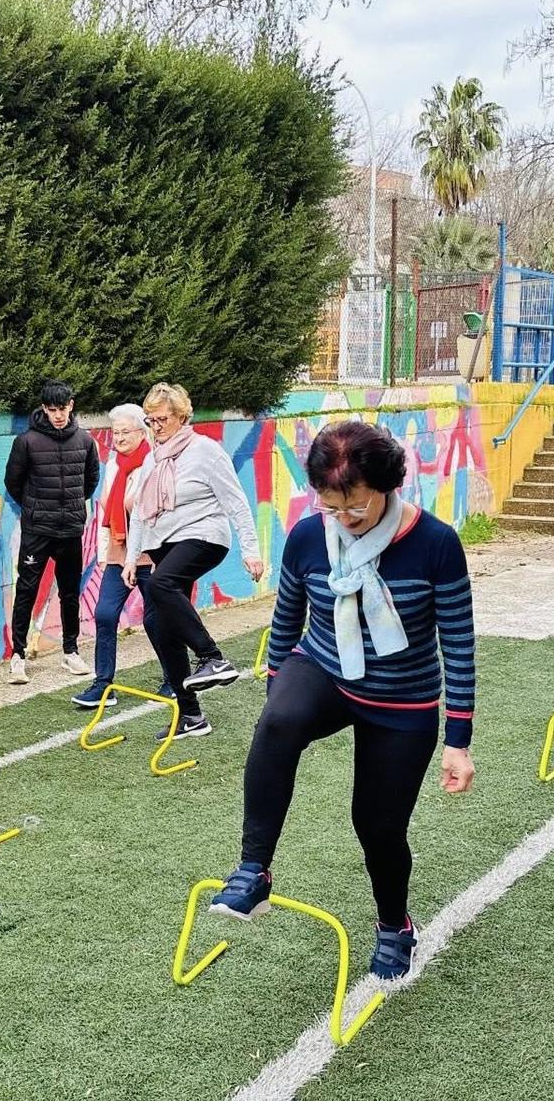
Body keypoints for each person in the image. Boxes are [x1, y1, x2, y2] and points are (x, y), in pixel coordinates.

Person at [207, 420, 476, 982]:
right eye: (332, 507)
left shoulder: (436, 544)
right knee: (277, 721)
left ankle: (394, 925)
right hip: (325, 668)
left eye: (356, 506)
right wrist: (278, 688)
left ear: (388, 486)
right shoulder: (310, 536)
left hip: (401, 698)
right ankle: (253, 871)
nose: (345, 519)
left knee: (377, 825)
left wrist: (458, 740)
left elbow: (457, 642)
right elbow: (287, 618)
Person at [123, 382, 264, 739]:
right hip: (163, 545)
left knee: (161, 583)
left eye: (162, 419)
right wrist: (131, 557)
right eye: (150, 420)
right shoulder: (153, 458)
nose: (155, 427)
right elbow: (139, 513)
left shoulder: (205, 450)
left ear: (182, 417)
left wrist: (251, 550)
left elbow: (236, 501)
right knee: (159, 624)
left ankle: (212, 657)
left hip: (203, 536)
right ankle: (191, 715)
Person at [71, 404, 173, 709]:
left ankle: (173, 678)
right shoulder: (114, 465)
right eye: (115, 433)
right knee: (104, 614)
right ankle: (103, 685)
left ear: (141, 433)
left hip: (151, 554)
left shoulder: (154, 463)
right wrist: (104, 554)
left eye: (125, 432)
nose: (118, 438)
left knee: (156, 620)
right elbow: (105, 511)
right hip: (119, 553)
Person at [4, 380, 100, 683]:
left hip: (70, 529)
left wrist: (70, 506)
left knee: (70, 591)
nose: (58, 415)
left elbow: (90, 481)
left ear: (71, 405)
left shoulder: (85, 441)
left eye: (62, 408)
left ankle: (71, 651)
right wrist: (35, 508)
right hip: (38, 530)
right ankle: (17, 656)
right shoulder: (26, 442)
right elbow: (13, 483)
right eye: (52, 409)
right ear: (44, 409)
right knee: (27, 590)